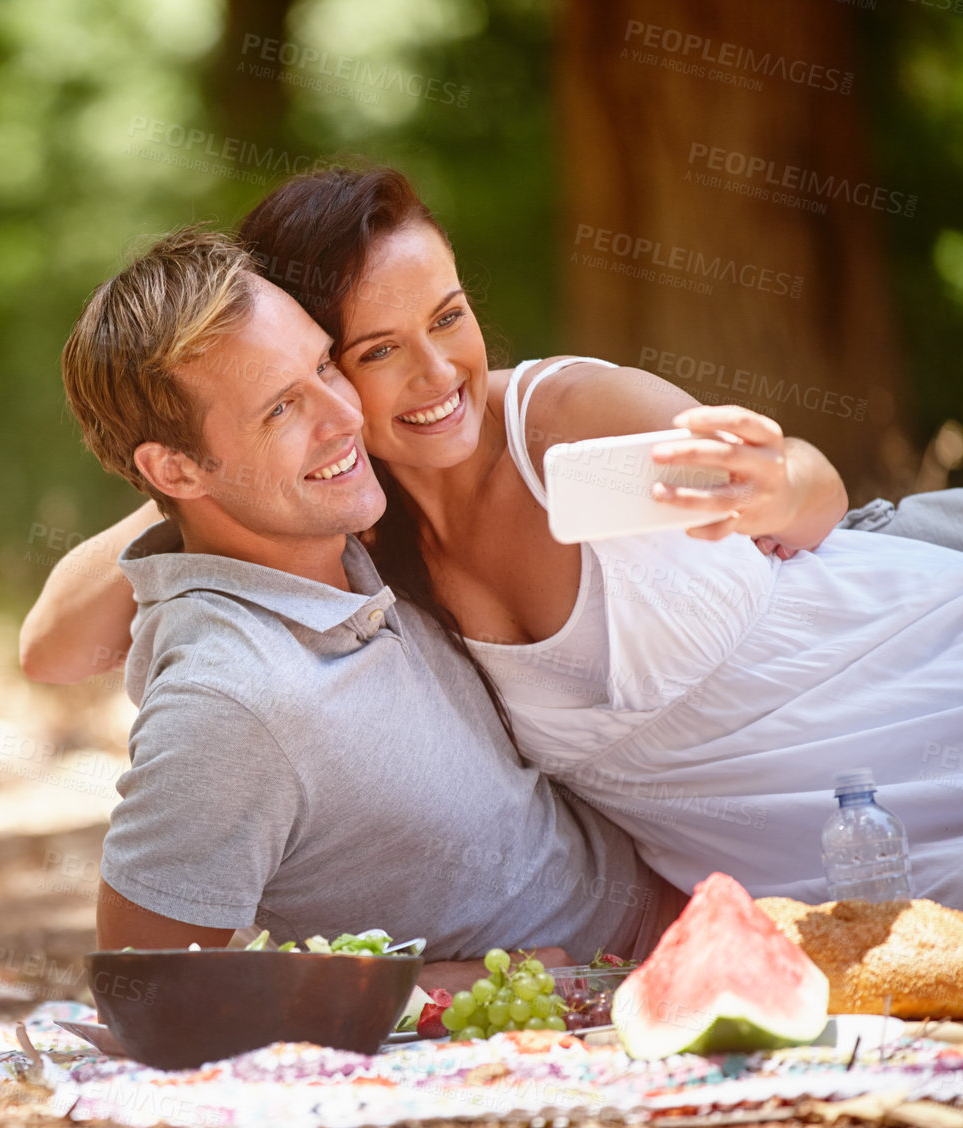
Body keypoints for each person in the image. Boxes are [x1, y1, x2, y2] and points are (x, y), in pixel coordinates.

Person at [27, 167, 963, 924]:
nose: (437, 369)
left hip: (923, 676)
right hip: (815, 849)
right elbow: (51, 647)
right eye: (371, 352)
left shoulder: (565, 425)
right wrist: (203, 464)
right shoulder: (365, 534)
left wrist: (775, 479)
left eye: (448, 315)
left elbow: (814, 498)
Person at [57, 227, 683, 988]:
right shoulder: (230, 700)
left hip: (701, 907)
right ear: (176, 468)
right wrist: (425, 990)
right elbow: (142, 989)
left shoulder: (350, 531)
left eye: (325, 364)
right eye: (282, 407)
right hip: (601, 1006)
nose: (346, 416)